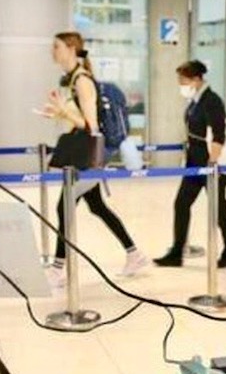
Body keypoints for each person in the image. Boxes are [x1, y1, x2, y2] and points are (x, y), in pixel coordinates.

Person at [42, 31, 147, 287]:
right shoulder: (74, 79)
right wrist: (61, 112)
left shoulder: (82, 81)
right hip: (86, 154)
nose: (52, 50)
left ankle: (58, 269)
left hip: (90, 156)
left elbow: (91, 125)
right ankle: (134, 254)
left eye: (56, 46)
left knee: (64, 205)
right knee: (97, 205)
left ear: (70, 48)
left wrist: (63, 111)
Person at [154, 60, 226, 269]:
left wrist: (213, 164)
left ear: (197, 79)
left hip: (210, 164)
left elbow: (219, 134)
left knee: (219, 209)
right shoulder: (195, 101)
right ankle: (177, 251)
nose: (181, 84)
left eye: (183, 79)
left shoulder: (212, 101)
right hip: (194, 162)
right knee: (181, 203)